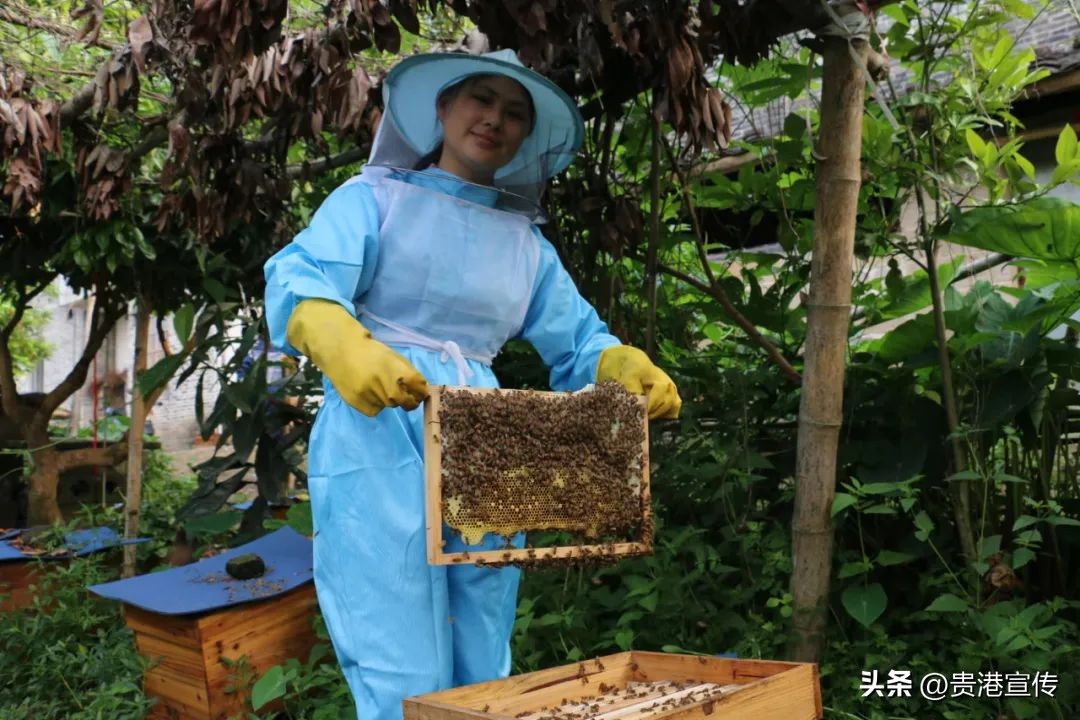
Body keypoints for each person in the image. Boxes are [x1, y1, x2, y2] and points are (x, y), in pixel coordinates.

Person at [263, 48, 681, 720]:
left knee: (484, 629)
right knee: (392, 624)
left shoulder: (525, 244)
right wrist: (337, 339)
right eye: (480, 101)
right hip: (383, 425)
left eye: (514, 113)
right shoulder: (374, 199)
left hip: (490, 439)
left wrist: (618, 365)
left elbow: (578, 341)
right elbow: (298, 276)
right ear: (442, 108)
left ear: (524, 136)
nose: (494, 120)